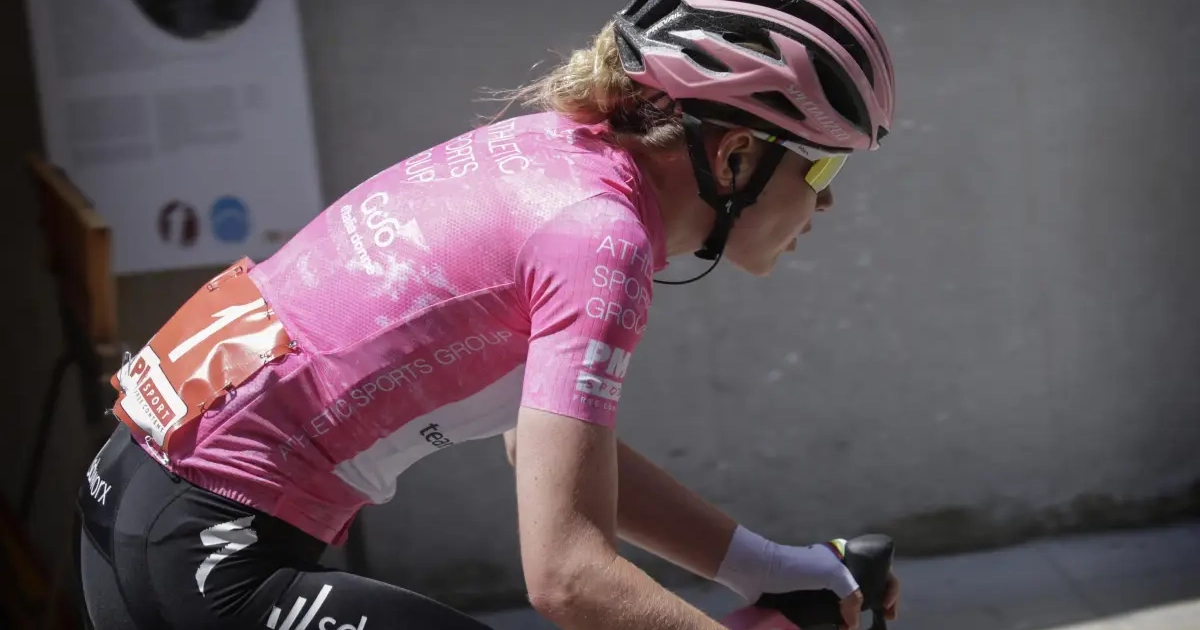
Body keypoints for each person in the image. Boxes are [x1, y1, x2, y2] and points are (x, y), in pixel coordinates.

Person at [75, 1, 899, 628]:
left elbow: (534, 448)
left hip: (135, 503)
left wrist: (762, 568)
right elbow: (570, 578)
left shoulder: (553, 154)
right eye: (823, 171)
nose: (826, 205)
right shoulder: (600, 241)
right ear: (737, 155)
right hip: (212, 553)